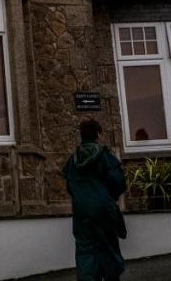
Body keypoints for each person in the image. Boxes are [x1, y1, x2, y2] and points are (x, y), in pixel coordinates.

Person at [62, 118, 127, 281]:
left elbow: (69, 186)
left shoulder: (72, 160)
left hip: (81, 212)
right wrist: (109, 197)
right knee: (108, 247)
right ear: (98, 134)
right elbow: (118, 183)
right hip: (104, 210)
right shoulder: (104, 156)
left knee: (85, 251)